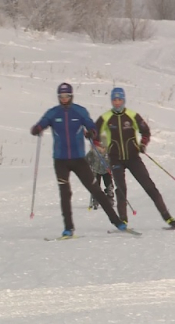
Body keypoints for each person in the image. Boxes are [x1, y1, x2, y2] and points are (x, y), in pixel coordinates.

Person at [30, 83, 127, 237]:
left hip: (78, 159)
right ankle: (68, 228)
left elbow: (91, 126)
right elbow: (42, 123)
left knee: (95, 190)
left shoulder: (79, 111)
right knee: (65, 193)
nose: (64, 99)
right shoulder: (53, 113)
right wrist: (37, 129)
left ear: (71, 96)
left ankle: (118, 222)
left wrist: (92, 133)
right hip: (60, 160)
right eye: (61, 96)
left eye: (67, 96)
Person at [94, 88, 175, 227]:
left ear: (123, 100)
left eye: (119, 99)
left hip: (133, 158)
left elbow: (145, 131)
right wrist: (93, 138)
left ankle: (168, 217)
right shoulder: (106, 117)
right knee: (121, 190)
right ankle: (123, 221)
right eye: (114, 100)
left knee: (149, 186)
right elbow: (94, 132)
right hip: (116, 159)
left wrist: (143, 144)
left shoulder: (132, 115)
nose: (117, 102)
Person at [85, 134, 114, 210]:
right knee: (96, 184)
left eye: (103, 147)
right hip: (95, 171)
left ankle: (109, 195)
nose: (102, 149)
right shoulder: (92, 153)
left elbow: (113, 160)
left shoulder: (108, 153)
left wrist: (113, 166)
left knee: (108, 182)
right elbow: (86, 160)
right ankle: (96, 197)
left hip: (106, 170)